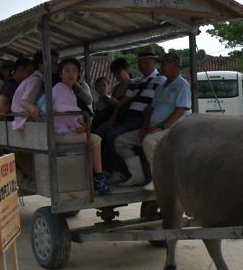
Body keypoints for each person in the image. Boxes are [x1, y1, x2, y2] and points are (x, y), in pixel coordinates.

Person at [114, 52, 191, 191]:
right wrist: (144, 128)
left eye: (164, 63)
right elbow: (150, 110)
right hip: (154, 127)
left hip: (174, 129)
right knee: (120, 141)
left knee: (149, 142)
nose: (161, 66)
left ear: (175, 65)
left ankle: (158, 180)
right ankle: (137, 175)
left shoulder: (182, 85)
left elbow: (180, 111)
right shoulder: (162, 87)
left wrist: (161, 126)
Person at [100, 46, 166, 183]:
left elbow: (154, 106)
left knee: (111, 135)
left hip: (141, 119)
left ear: (154, 62)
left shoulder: (161, 80)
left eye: (146, 61)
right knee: (101, 133)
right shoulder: (137, 81)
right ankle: (110, 169)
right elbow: (122, 102)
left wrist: (145, 125)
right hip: (129, 118)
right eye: (140, 61)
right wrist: (112, 118)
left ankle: (122, 172)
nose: (143, 64)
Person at [52, 58, 110, 195]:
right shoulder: (59, 88)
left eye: (74, 71)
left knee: (90, 139)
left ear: (78, 74)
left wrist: (80, 126)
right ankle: (99, 178)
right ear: (61, 74)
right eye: (67, 71)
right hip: (59, 133)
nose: (71, 74)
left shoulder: (71, 91)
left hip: (67, 131)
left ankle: (89, 177)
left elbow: (70, 116)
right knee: (96, 140)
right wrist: (80, 115)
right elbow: (60, 108)